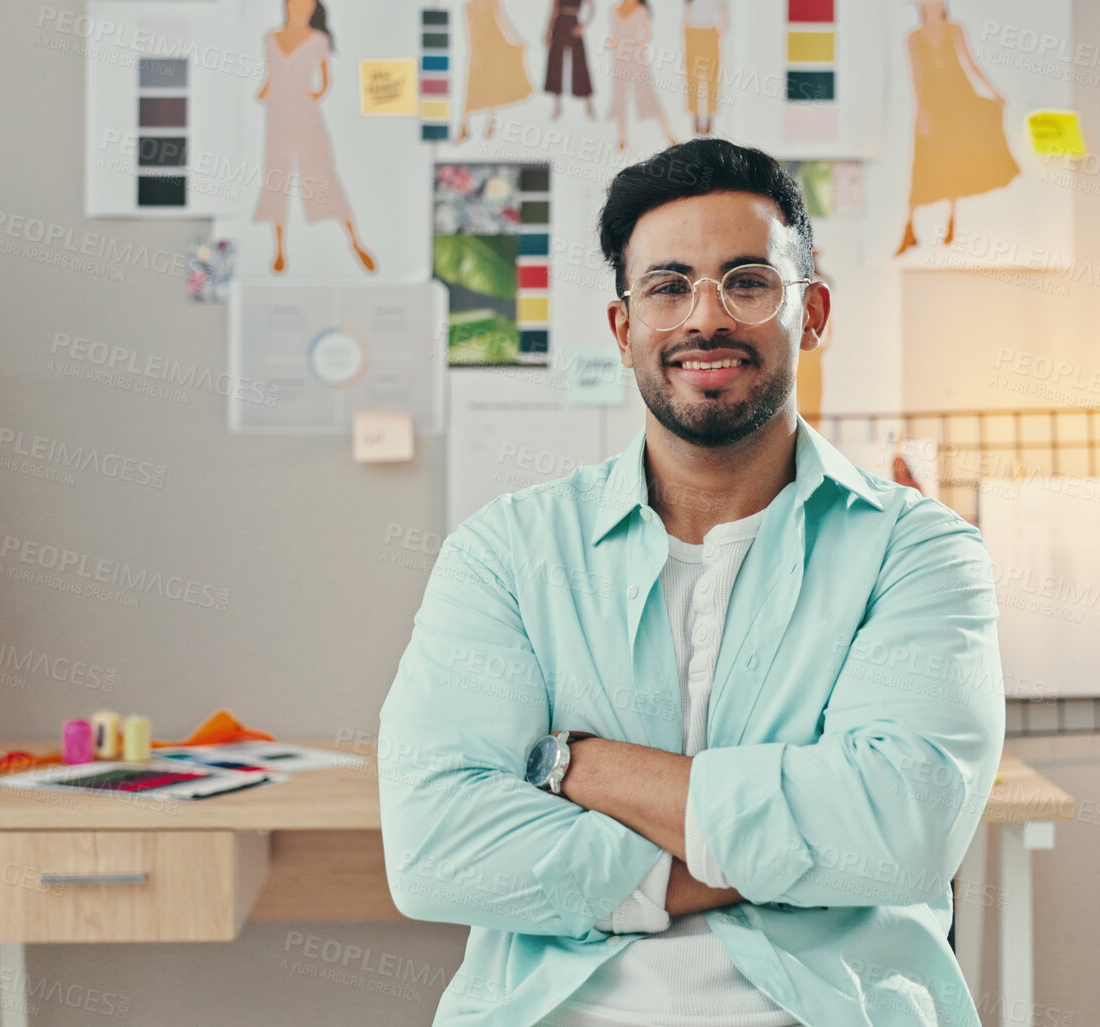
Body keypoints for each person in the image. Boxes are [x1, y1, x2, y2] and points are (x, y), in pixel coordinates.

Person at [379, 138, 1006, 1026]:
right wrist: (781, 846)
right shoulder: (506, 552)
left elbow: (898, 834)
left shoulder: (917, 552)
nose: (702, 318)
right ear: (623, 326)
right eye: (667, 287)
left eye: (746, 281)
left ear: (812, 311)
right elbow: (435, 849)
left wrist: (576, 763)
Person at [254, 0, 376, 273]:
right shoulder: (271, 38)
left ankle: (354, 241)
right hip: (277, 113)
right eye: (294, 5)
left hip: (305, 113)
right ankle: (278, 249)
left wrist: (310, 96)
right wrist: (264, 93)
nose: (297, 10)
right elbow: (270, 77)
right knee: (277, 176)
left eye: (303, 6)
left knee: (322, 172)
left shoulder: (318, 40)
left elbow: (325, 82)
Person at [895, 0, 1019, 254]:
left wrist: (995, 91)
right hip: (933, 104)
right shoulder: (913, 37)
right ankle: (910, 226)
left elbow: (970, 64)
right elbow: (916, 76)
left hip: (959, 100)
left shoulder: (956, 29)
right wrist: (922, 112)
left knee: (954, 161)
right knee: (925, 162)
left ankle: (951, 221)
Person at [459, 0, 535, 141]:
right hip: (480, 46)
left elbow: (503, 21)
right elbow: (470, 29)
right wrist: (474, 52)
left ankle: (490, 122)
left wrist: (518, 39)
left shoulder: (493, 2)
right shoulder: (468, 6)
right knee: (474, 85)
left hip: (496, 45)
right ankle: (464, 125)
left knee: (494, 82)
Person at [605, 0, 676, 151]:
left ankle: (668, 133)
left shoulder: (640, 10)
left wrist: (637, 46)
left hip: (636, 59)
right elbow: (614, 34)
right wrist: (612, 43)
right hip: (619, 58)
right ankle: (621, 137)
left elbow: (647, 35)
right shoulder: (614, 11)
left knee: (648, 93)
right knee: (620, 97)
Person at [543, 0, 595, 120]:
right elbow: (553, 11)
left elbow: (592, 9)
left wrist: (584, 25)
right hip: (559, 24)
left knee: (580, 62)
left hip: (574, 23)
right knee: (556, 63)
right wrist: (548, 32)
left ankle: (589, 104)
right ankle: (557, 106)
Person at [682, 0, 727, 135]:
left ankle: (709, 118)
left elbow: (724, 13)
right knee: (692, 77)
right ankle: (695, 116)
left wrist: (719, 33)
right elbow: (686, 12)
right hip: (693, 33)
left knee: (712, 77)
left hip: (710, 33)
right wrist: (686, 33)